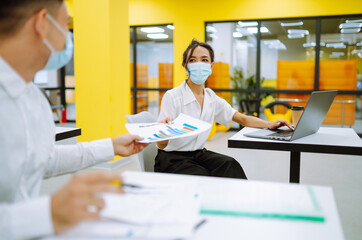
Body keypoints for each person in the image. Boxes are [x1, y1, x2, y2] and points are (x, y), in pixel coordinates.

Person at [0, 1, 148, 239]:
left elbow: (43, 158)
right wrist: (46, 214)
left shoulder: (32, 98)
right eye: (65, 24)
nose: (68, 38)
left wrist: (111, 146)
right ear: (42, 24)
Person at [156, 39, 293, 178]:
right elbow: (161, 145)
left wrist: (269, 124)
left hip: (198, 154)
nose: (199, 64)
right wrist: (163, 133)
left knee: (230, 165)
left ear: (211, 66)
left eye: (204, 60)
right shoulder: (172, 96)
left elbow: (241, 118)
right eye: (192, 60)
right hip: (172, 159)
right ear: (186, 66)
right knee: (203, 176)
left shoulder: (211, 97)